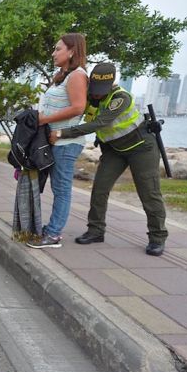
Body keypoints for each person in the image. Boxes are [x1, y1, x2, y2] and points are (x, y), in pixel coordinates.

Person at [50, 63, 168, 256]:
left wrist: (62, 133)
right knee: (99, 189)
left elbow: (99, 123)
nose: (97, 94)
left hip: (141, 148)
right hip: (114, 150)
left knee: (149, 193)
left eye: (101, 91)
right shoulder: (89, 95)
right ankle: (96, 230)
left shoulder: (121, 98)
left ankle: (157, 237)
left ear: (111, 84)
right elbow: (73, 110)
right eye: (95, 89)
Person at [27, 33, 88, 249]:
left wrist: (45, 119)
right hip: (53, 140)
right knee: (54, 187)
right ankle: (51, 228)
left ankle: (53, 234)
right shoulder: (61, 75)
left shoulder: (78, 76)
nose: (53, 53)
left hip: (66, 142)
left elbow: (78, 107)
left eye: (58, 49)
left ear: (71, 51)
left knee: (61, 189)